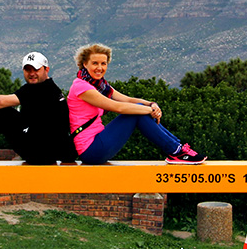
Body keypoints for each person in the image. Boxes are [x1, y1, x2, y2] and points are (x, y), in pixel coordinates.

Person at [67, 43, 206, 165]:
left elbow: (126, 99)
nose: (100, 68)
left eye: (103, 63)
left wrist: (152, 104)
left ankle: (178, 149)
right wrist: (148, 110)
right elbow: (118, 107)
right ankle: (177, 151)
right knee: (136, 113)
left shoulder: (100, 85)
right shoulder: (81, 87)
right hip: (91, 150)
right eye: (95, 63)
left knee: (138, 111)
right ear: (84, 64)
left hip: (99, 144)